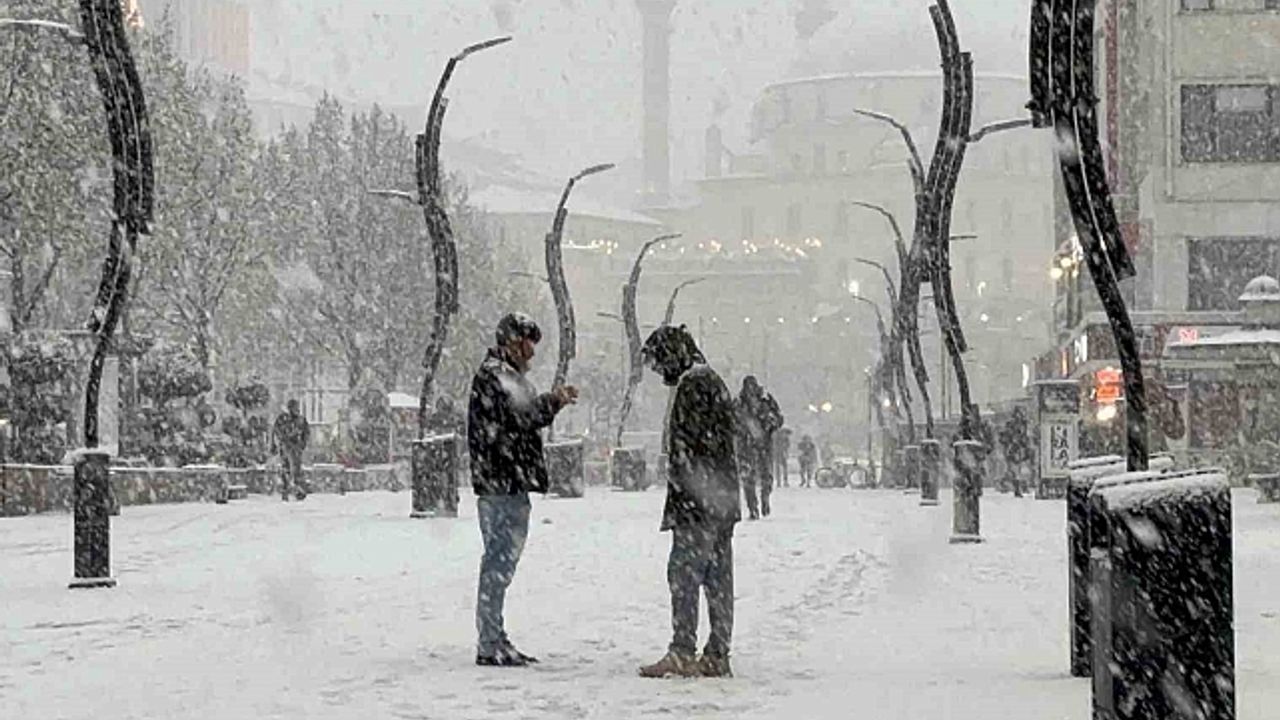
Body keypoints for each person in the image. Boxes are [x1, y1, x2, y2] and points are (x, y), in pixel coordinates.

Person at [468, 313, 577, 668]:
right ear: (511, 342)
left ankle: (494, 637)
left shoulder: (502, 375)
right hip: (502, 483)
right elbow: (522, 416)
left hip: (505, 481)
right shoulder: (497, 376)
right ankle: (490, 641)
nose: (531, 352)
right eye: (526, 343)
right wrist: (553, 401)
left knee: (501, 563)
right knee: (498, 563)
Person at [638, 325, 740, 679]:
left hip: (698, 503)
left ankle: (683, 650)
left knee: (684, 575)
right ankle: (717, 652)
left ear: (671, 355)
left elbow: (691, 452)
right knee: (718, 579)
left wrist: (685, 495)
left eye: (657, 362)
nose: (657, 371)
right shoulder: (710, 381)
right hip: (720, 500)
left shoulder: (693, 386)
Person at [735, 376, 782, 519]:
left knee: (765, 476)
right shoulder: (739, 404)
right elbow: (730, 421)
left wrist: (769, 423)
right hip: (747, 446)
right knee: (749, 478)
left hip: (762, 445)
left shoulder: (766, 401)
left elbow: (779, 419)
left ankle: (764, 499)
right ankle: (753, 508)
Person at [272, 399, 310, 501]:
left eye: (296, 407)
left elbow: (306, 433)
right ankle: (286, 489)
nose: (295, 409)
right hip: (285, 446)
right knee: (286, 468)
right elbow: (276, 430)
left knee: (296, 468)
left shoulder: (301, 420)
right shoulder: (282, 419)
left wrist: (302, 444)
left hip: (296, 447)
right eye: (293, 407)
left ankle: (298, 489)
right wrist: (280, 441)